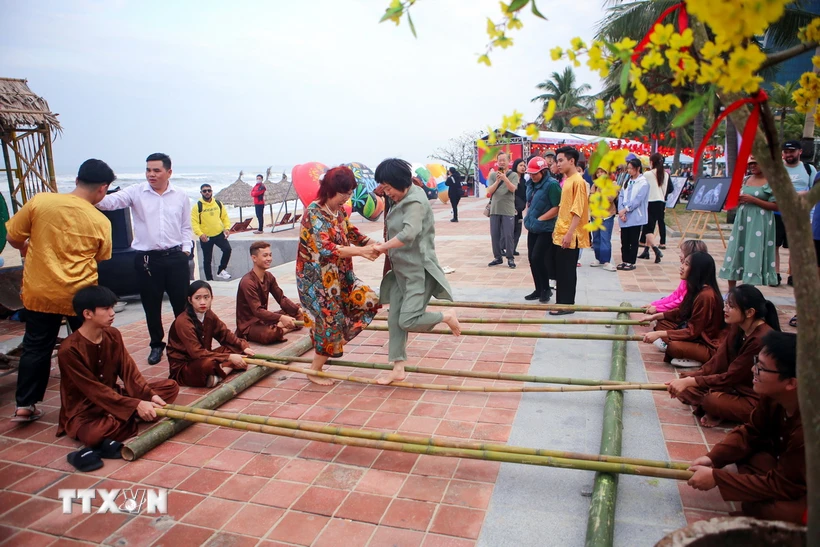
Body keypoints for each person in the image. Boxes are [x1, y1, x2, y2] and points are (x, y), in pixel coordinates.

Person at [6, 159, 115, 422]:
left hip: (41, 291)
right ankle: (93, 397)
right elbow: (102, 256)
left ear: (77, 181)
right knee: (88, 345)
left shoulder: (40, 202)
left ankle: (25, 404)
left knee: (36, 346)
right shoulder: (100, 220)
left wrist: (29, 246)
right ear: (103, 189)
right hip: (82, 295)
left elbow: (13, 237)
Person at [687, 331, 805, 524]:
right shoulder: (772, 396)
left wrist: (718, 479)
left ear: (792, 382)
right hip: (790, 466)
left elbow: (784, 485)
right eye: (756, 362)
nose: (753, 370)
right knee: (749, 453)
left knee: (777, 512)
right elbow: (751, 432)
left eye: (762, 368)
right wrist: (713, 458)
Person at [57, 286, 179, 469]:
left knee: (170, 387)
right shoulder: (69, 350)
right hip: (85, 409)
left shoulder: (113, 334)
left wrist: (149, 395)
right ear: (88, 313)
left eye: (112, 307)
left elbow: (129, 371)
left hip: (117, 398)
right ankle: (131, 416)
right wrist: (135, 405)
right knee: (93, 435)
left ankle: (129, 416)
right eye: (106, 309)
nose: (112, 313)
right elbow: (93, 390)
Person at [96, 153, 193, 365]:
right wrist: (91, 189)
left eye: (156, 170)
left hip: (176, 257)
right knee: (151, 305)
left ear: (169, 172)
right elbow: (108, 203)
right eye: (148, 169)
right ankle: (157, 345)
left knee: (181, 305)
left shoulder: (181, 195)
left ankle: (184, 343)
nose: (151, 174)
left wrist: (186, 250)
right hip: (147, 259)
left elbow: (186, 226)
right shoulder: (136, 192)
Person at [374, 159, 461, 384]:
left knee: (408, 320)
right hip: (401, 271)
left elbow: (409, 233)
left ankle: (446, 316)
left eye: (388, 186)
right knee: (394, 320)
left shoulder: (414, 202)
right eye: (384, 186)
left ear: (399, 181)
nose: (386, 191)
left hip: (417, 272)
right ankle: (398, 368)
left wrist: (383, 247)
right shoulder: (403, 194)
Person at [296, 166, 381, 385]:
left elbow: (351, 232)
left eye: (350, 193)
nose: (348, 197)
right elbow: (326, 248)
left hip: (341, 276)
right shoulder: (313, 213)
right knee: (328, 322)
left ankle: (333, 341)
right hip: (317, 280)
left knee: (369, 301)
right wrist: (362, 252)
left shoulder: (339, 210)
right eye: (345, 193)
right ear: (331, 190)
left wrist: (375, 245)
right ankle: (315, 370)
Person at [665, 285, 779, 427]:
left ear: (749, 312)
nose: (725, 309)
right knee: (687, 385)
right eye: (725, 304)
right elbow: (718, 361)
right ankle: (719, 408)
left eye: (731, 306)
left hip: (754, 395)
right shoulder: (738, 325)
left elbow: (732, 376)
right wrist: (692, 378)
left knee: (711, 400)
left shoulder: (760, 339)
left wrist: (693, 381)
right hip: (734, 386)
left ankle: (719, 410)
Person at [642, 251, 727, 367]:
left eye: (686, 264)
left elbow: (693, 331)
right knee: (662, 322)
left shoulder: (706, 296)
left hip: (707, 342)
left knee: (674, 347)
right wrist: (657, 315)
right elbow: (682, 311)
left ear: (697, 270)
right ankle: (682, 348)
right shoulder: (695, 288)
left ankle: (696, 356)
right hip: (695, 334)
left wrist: (660, 334)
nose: (681, 267)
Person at [167, 281, 255, 388]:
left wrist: (242, 347)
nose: (203, 302)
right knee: (208, 365)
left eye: (206, 297)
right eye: (197, 298)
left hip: (205, 355)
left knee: (238, 347)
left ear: (211, 298)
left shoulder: (208, 314)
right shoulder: (183, 322)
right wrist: (229, 357)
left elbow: (225, 334)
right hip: (186, 366)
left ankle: (218, 374)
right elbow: (196, 353)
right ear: (190, 300)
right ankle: (222, 372)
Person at [719, 156, 779, 289]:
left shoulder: (771, 182)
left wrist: (754, 200)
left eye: (755, 163)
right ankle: (731, 290)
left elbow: (776, 206)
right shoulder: (746, 180)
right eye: (750, 164)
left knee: (754, 251)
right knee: (735, 251)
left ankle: (749, 290)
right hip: (742, 220)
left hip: (760, 221)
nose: (752, 166)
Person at [236, 241, 302, 344]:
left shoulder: (269, 276)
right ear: (254, 258)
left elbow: (281, 298)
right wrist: (281, 318)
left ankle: (279, 328)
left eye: (270, 255)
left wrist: (297, 310)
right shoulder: (247, 282)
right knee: (269, 334)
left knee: (299, 313)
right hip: (250, 325)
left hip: (264, 319)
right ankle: (281, 329)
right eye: (265, 255)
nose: (269, 259)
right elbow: (257, 311)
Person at [551, 147, 591, 313]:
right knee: (561, 270)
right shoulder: (568, 180)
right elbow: (563, 208)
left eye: (561, 160)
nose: (558, 164)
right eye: (557, 161)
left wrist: (569, 233)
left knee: (567, 271)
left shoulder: (578, 181)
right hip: (561, 232)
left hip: (570, 234)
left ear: (571, 161)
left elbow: (577, 210)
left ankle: (566, 305)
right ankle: (561, 302)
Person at [777, 140, 817, 287]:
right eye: (786, 152)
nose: (788, 155)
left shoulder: (809, 169)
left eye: (792, 152)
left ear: (799, 152)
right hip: (777, 212)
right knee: (774, 245)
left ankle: (793, 275)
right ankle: (775, 274)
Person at [523, 156, 561, 303]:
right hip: (533, 227)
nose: (533, 176)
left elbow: (557, 207)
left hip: (545, 228)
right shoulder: (530, 183)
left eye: (535, 174)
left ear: (543, 171)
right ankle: (538, 289)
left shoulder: (552, 185)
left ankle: (546, 289)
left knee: (538, 257)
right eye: (531, 174)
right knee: (531, 258)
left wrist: (541, 219)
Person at [644, 240, 709, 314]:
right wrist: (654, 304)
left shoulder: (696, 283)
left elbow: (681, 302)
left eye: (682, 252)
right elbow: (676, 295)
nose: (679, 255)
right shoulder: (686, 277)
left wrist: (658, 308)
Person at [192, 183, 232, 281]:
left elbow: (224, 217)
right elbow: (194, 222)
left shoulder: (218, 203)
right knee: (207, 260)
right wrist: (200, 234)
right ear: (201, 192)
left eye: (209, 190)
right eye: (204, 191)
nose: (207, 192)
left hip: (218, 234)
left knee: (227, 249)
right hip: (206, 236)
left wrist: (227, 228)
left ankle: (221, 270)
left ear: (212, 192)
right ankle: (210, 280)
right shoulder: (197, 206)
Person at [486, 152, 520, 269]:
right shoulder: (492, 175)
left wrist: (505, 178)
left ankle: (510, 258)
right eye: (499, 160)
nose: (501, 162)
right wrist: (497, 181)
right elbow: (490, 190)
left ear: (509, 161)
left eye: (503, 160)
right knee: (494, 234)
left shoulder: (514, 175)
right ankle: (497, 257)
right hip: (495, 209)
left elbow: (512, 188)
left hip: (508, 209)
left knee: (508, 235)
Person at [616, 158, 650, 271]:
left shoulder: (643, 183)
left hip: (635, 216)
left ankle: (631, 261)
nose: (629, 171)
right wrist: (621, 210)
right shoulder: (627, 181)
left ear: (638, 168)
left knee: (633, 240)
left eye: (631, 168)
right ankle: (624, 260)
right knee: (624, 240)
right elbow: (621, 195)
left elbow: (638, 200)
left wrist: (626, 209)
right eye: (628, 168)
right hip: (624, 215)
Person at [637, 153, 669, 263]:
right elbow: (665, 190)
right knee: (650, 227)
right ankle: (646, 250)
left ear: (652, 162)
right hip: (660, 202)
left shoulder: (648, 174)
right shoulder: (665, 174)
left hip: (650, 202)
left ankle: (656, 249)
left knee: (648, 228)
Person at [589, 167, 618, 272]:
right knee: (596, 238)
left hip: (607, 215)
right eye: (597, 173)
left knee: (605, 238)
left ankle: (606, 261)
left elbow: (610, 199)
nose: (599, 174)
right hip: (595, 216)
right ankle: (598, 258)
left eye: (602, 172)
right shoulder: (594, 185)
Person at [511, 158, 528, 256]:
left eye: (524, 166)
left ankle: (513, 248)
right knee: (509, 228)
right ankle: (505, 247)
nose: (523, 167)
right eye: (520, 165)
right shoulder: (510, 178)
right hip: (511, 207)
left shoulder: (524, 180)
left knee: (518, 228)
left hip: (520, 208)